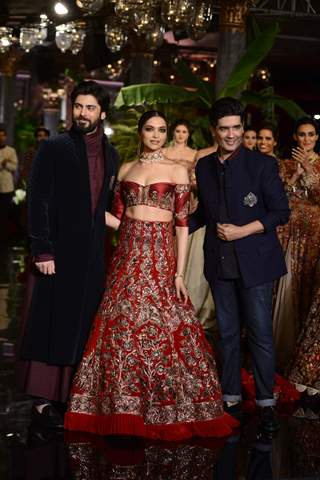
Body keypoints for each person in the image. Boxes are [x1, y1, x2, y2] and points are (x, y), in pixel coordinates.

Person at [64, 110, 238, 440]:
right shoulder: (127, 168)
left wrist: (179, 273)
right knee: (120, 328)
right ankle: (120, 406)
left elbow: (183, 225)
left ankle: (166, 405)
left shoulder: (177, 170)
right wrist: (80, 205)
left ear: (167, 133)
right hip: (127, 256)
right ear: (141, 132)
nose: (155, 135)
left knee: (166, 327)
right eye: (150, 129)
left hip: (160, 255)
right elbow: (116, 217)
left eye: (161, 130)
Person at [19, 80, 119, 428]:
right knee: (50, 321)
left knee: (81, 322)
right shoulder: (55, 147)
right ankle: (43, 400)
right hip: (56, 252)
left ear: (102, 113)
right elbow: (38, 200)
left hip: (91, 255)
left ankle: (71, 395)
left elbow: (102, 207)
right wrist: (42, 248)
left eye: (90, 107)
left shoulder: (112, 154)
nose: (83, 113)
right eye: (78, 107)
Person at [189, 97, 290, 434]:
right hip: (219, 262)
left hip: (256, 263)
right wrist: (165, 225)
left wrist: (242, 230)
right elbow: (204, 212)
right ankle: (230, 399)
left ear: (242, 128)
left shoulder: (262, 165)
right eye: (224, 129)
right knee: (227, 334)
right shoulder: (203, 166)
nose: (231, 134)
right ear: (214, 131)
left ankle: (265, 405)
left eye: (236, 128)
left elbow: (280, 213)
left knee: (260, 334)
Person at [273, 117, 320, 412]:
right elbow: (279, 196)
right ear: (295, 137)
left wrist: (311, 171)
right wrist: (296, 173)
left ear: (316, 137)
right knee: (288, 290)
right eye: (301, 135)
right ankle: (284, 352)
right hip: (290, 235)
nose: (306, 140)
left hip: (315, 236)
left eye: (311, 135)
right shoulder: (284, 165)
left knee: (310, 291)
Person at [0, 126, 18, 242]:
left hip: (7, 186)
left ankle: (4, 237)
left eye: (3, 135)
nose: (1, 138)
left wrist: (5, 163)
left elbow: (14, 167)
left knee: (5, 212)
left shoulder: (11, 151)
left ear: (5, 137)